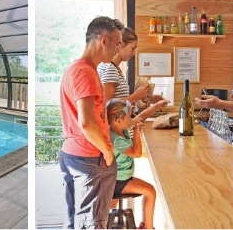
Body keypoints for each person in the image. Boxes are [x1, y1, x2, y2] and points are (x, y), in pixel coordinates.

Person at [59, 16, 124, 229]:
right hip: (89, 158)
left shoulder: (79, 69)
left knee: (76, 221)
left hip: (75, 154)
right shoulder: (85, 72)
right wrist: (106, 151)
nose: (118, 49)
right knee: (92, 224)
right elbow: (87, 123)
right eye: (117, 43)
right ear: (104, 40)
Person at [98, 27, 169, 125]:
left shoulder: (115, 69)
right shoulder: (110, 69)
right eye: (132, 48)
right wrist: (136, 96)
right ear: (121, 45)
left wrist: (149, 99)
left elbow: (119, 100)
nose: (134, 53)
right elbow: (106, 106)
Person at [105, 99, 157, 229]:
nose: (131, 119)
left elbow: (135, 120)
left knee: (150, 190)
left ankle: (146, 226)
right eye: (128, 117)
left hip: (121, 178)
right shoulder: (116, 140)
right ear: (118, 120)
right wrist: (137, 131)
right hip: (117, 181)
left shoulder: (120, 130)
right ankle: (148, 228)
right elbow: (137, 153)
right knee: (150, 192)